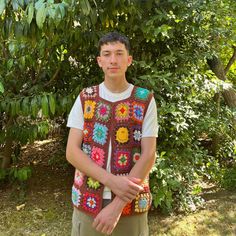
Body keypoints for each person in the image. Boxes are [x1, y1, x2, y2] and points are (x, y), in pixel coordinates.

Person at [66, 31, 158, 236]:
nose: (113, 60)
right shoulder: (86, 97)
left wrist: (117, 206)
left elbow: (149, 155)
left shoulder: (144, 100)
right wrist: (111, 181)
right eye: (107, 54)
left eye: (119, 53)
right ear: (99, 61)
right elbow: (72, 152)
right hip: (87, 199)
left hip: (130, 203)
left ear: (129, 59)